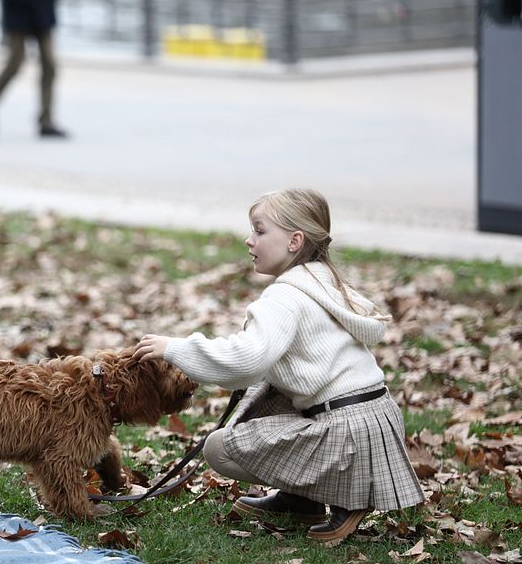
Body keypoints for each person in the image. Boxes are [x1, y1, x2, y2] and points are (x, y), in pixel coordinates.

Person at [133, 188, 424, 542]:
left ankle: (346, 497)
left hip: (345, 434)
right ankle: (301, 500)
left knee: (219, 448)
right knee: (271, 394)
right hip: (374, 420)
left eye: (259, 231)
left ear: (294, 241)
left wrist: (176, 349)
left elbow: (245, 360)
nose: (249, 240)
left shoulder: (284, 297)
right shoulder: (324, 283)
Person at [0, 0, 67, 139]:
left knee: (49, 65)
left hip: (43, 10)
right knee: (15, 62)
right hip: (18, 13)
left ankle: (46, 121)